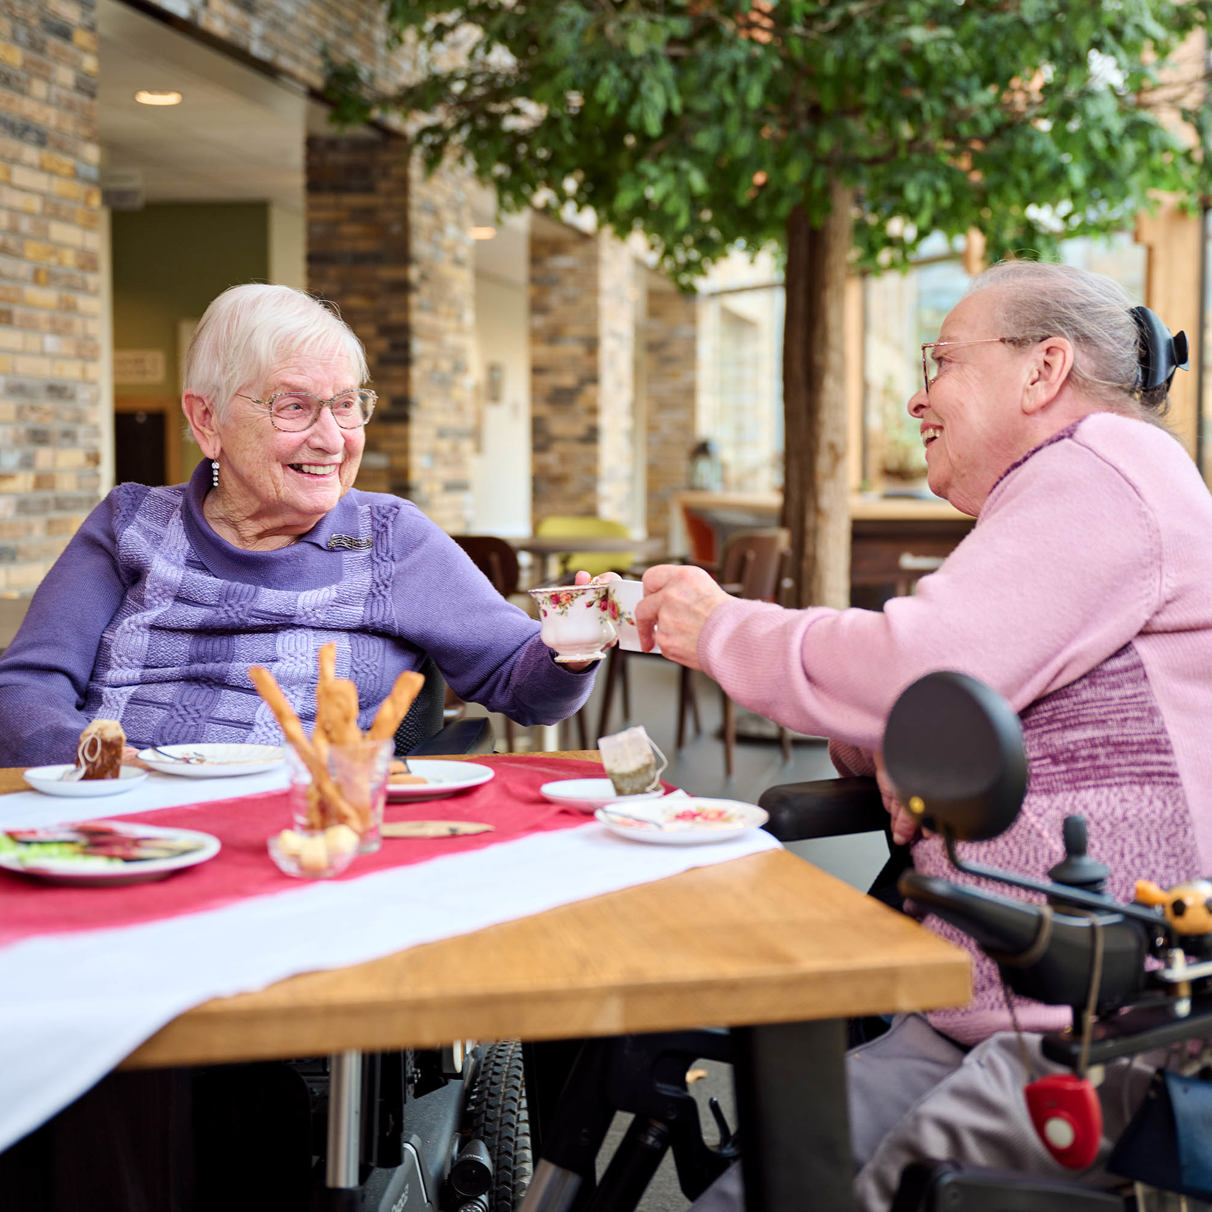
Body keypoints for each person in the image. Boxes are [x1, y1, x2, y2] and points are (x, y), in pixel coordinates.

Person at [636, 260, 1212, 1210]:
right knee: (764, 1182)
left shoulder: (1104, 469)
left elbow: (923, 668)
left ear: (1043, 371)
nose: (917, 394)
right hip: (991, 998)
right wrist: (901, 736)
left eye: (941, 360)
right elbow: (954, 702)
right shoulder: (1071, 487)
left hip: (1098, 1023)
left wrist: (725, 626)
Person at [0, 282, 597, 766]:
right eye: (294, 406)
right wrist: (92, 762)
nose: (333, 438)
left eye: (344, 404)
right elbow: (27, 685)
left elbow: (522, 682)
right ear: (207, 419)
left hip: (294, 817)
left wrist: (576, 639)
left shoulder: (387, 538)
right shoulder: (132, 524)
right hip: (114, 809)